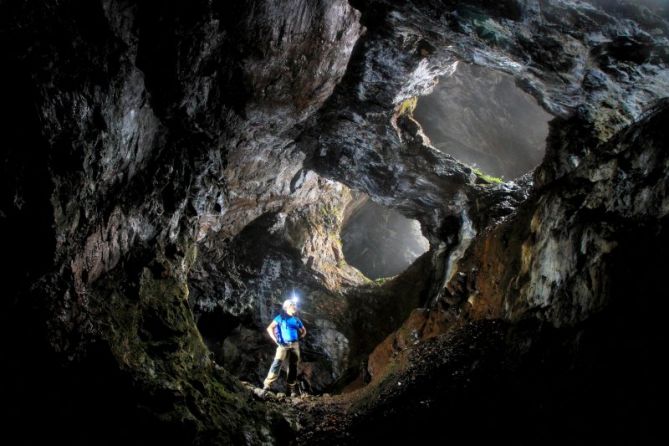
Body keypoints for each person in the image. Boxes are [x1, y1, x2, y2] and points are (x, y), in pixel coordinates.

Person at [259, 298, 306, 398]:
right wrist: (276, 340)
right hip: (283, 345)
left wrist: (300, 337)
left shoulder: (297, 319)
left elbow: (304, 330)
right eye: (293, 305)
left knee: (293, 366)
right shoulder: (280, 317)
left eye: (295, 305)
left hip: (294, 345)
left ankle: (290, 390)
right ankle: (267, 384)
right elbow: (269, 328)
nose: (295, 307)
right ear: (287, 307)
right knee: (277, 363)